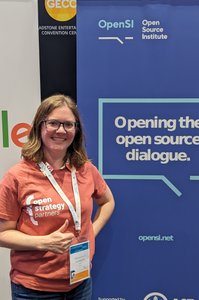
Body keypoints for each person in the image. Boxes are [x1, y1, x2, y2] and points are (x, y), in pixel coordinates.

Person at [0, 94, 115, 300]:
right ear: (39, 126)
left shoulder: (85, 169)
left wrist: (91, 232)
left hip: (80, 283)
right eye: (53, 123)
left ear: (76, 130)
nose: (61, 130)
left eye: (69, 125)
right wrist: (44, 242)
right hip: (34, 289)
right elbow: (2, 234)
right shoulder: (17, 176)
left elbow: (107, 201)